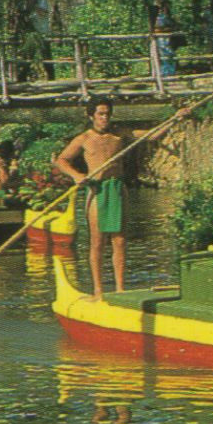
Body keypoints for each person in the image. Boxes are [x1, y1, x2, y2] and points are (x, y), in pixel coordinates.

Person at [54, 98, 133, 302]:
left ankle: (120, 289)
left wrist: (176, 118)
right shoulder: (84, 139)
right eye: (100, 114)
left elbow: (150, 136)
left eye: (107, 113)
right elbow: (61, 160)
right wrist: (76, 175)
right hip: (97, 190)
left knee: (120, 240)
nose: (104, 118)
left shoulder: (120, 135)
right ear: (91, 116)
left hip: (117, 188)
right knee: (98, 241)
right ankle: (98, 290)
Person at [153, 0, 177, 78]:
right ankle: (163, 73)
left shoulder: (167, 17)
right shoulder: (157, 18)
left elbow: (174, 27)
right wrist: (163, 29)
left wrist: (166, 29)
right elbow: (155, 29)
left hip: (168, 39)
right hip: (160, 40)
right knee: (162, 55)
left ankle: (170, 73)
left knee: (169, 55)